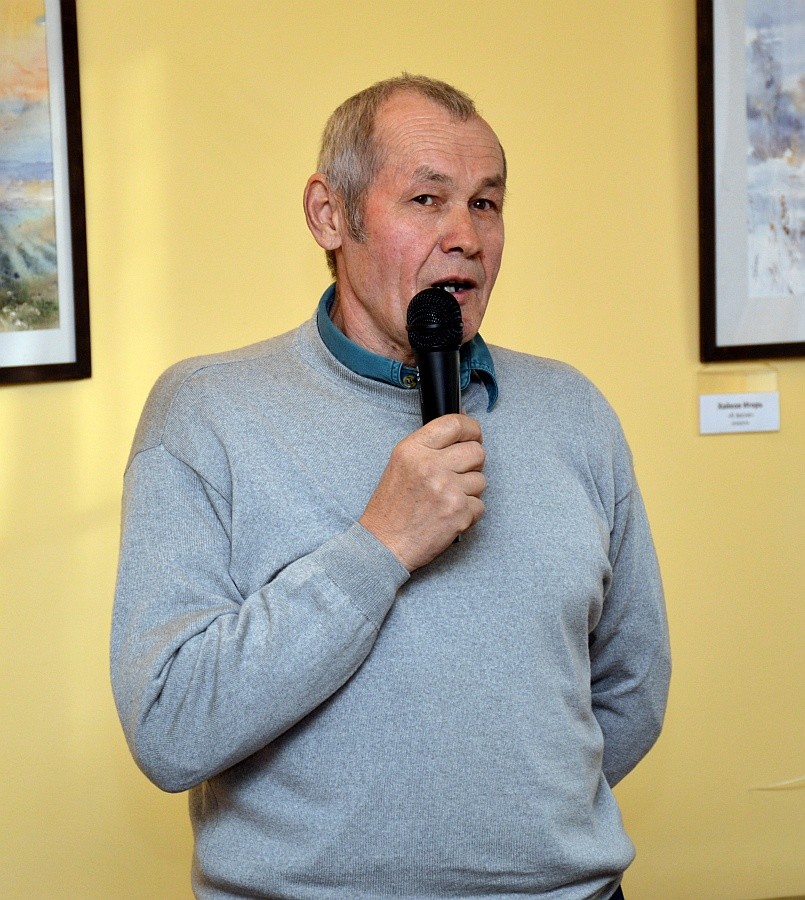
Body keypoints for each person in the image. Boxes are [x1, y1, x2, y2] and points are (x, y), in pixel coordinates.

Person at [111, 74, 670, 900]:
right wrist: (379, 546)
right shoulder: (205, 413)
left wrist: (511, 829)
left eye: (485, 203)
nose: (465, 237)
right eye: (425, 199)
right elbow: (169, 726)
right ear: (328, 215)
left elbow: (631, 686)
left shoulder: (573, 410)